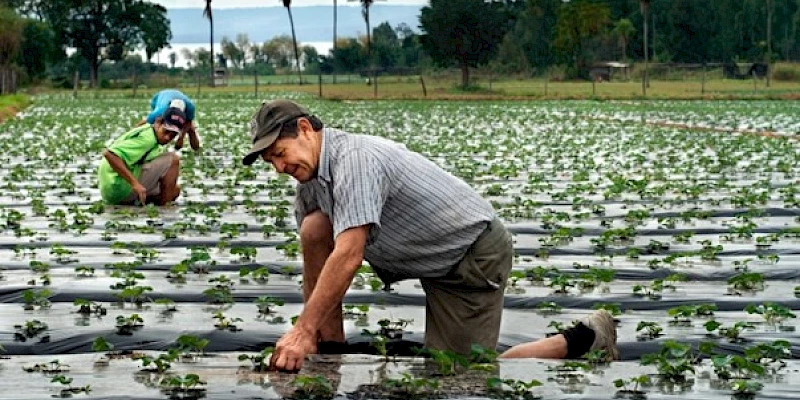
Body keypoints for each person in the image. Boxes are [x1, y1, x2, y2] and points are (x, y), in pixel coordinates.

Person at [242, 100, 619, 371]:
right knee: (314, 225)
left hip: (470, 255)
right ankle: (331, 343)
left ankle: (585, 339)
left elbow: (348, 254)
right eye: (270, 161)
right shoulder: (310, 179)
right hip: (429, 255)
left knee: (462, 374)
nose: (279, 167)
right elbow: (318, 247)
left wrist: (301, 330)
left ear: (305, 129)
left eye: (280, 153)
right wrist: (323, 345)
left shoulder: (354, 160)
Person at [98, 106, 186, 206]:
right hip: (118, 186)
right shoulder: (147, 139)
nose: (167, 138)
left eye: (172, 135)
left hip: (112, 191)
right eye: (166, 131)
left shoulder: (149, 132)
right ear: (158, 123)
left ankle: (142, 203)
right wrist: (135, 184)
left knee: (174, 191)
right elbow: (109, 154)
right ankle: (165, 209)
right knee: (173, 160)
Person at [136, 89, 201, 151]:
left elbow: (188, 122)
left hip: (176, 99)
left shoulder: (190, 108)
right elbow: (145, 123)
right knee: (152, 128)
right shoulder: (159, 112)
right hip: (159, 97)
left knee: (191, 129)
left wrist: (181, 138)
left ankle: (197, 150)